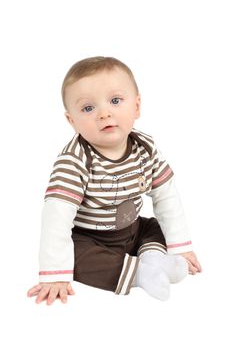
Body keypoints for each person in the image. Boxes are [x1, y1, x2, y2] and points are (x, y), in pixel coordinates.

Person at [27, 56, 202, 305]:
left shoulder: (145, 148)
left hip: (132, 229)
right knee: (75, 257)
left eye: (115, 101)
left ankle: (154, 259)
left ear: (137, 106)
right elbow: (57, 216)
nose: (104, 113)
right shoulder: (75, 160)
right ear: (72, 121)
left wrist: (180, 246)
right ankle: (140, 274)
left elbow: (166, 195)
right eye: (88, 108)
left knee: (155, 227)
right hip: (91, 238)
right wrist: (55, 273)